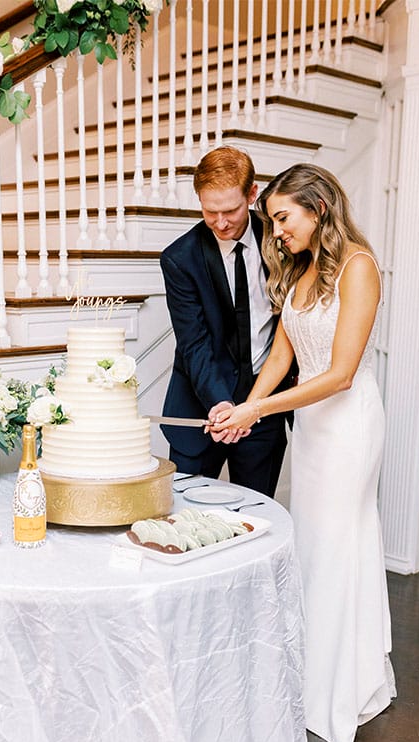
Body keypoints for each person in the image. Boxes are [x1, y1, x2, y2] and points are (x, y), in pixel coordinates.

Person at [208, 163, 396, 742]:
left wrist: (257, 414)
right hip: (312, 426)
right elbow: (279, 360)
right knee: (313, 544)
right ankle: (311, 672)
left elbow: (339, 375)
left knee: (339, 543)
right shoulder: (297, 270)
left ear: (318, 207)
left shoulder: (359, 267)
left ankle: (340, 687)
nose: (277, 231)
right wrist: (243, 408)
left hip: (349, 424)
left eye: (283, 218)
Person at [159, 146, 295, 496]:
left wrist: (254, 405)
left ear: (252, 195)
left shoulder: (284, 241)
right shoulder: (179, 259)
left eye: (231, 210)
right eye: (209, 211)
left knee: (256, 515)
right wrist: (221, 404)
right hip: (202, 411)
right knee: (186, 515)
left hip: (263, 407)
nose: (220, 222)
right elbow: (194, 343)